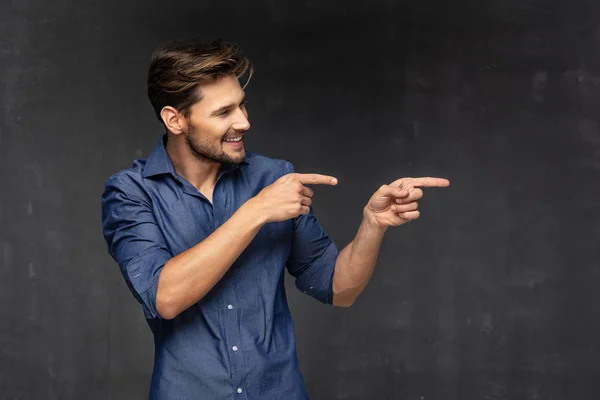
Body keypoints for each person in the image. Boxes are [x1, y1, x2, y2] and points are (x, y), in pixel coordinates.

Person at [101, 38, 449, 400]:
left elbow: (339, 288)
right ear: (175, 119)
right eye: (224, 112)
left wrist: (372, 225)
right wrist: (257, 211)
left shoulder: (273, 177)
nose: (244, 122)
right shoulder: (130, 193)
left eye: (242, 106)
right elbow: (165, 297)